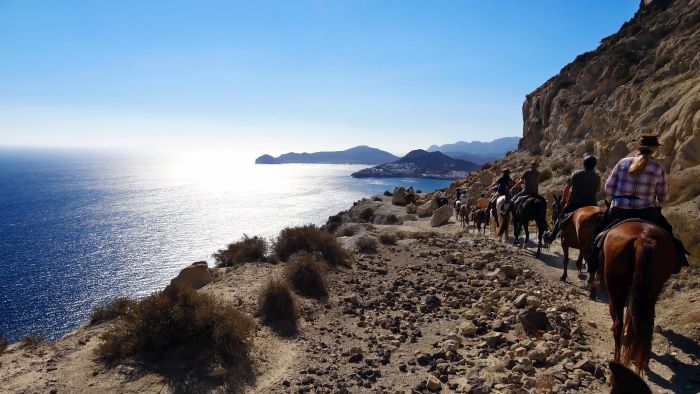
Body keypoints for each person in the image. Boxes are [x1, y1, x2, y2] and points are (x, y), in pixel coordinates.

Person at [587, 135, 689, 278]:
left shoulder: (622, 163)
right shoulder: (658, 168)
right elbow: (663, 197)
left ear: (638, 147)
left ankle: (592, 267)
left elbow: (608, 189)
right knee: (668, 233)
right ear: (653, 149)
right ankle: (677, 263)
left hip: (619, 210)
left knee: (598, 234)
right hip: (646, 211)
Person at [545, 155, 601, 242]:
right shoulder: (598, 177)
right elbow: (597, 190)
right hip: (592, 204)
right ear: (594, 165)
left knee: (561, 217)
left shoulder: (576, 173)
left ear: (584, 164)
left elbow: (566, 188)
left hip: (575, 203)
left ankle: (552, 236)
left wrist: (564, 199)